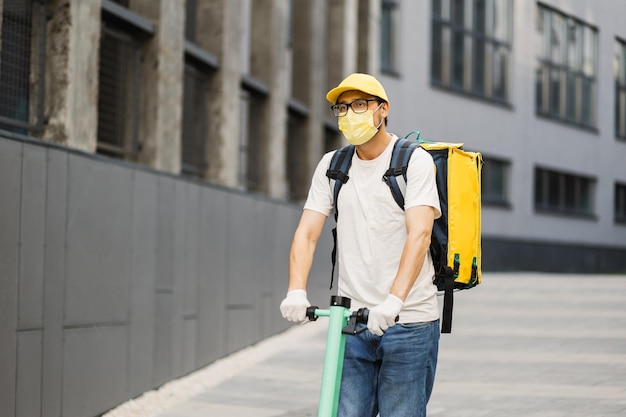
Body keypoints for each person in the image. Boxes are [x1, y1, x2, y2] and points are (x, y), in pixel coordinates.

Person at [279, 73, 441, 417]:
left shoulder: (414, 161)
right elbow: (307, 233)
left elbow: (420, 235)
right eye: (342, 107)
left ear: (383, 110)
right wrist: (296, 290)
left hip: (409, 322)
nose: (349, 113)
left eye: (360, 104)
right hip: (351, 323)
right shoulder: (332, 165)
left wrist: (393, 302)